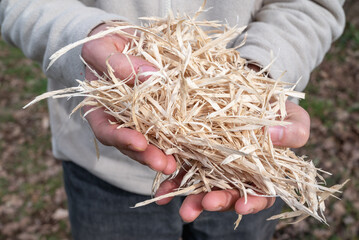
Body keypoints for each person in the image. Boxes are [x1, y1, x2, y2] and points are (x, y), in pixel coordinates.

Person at [0, 1, 345, 239]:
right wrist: (86, 36)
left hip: (240, 171)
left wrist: (259, 75)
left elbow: (310, 4)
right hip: (100, 168)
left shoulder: (246, 113)